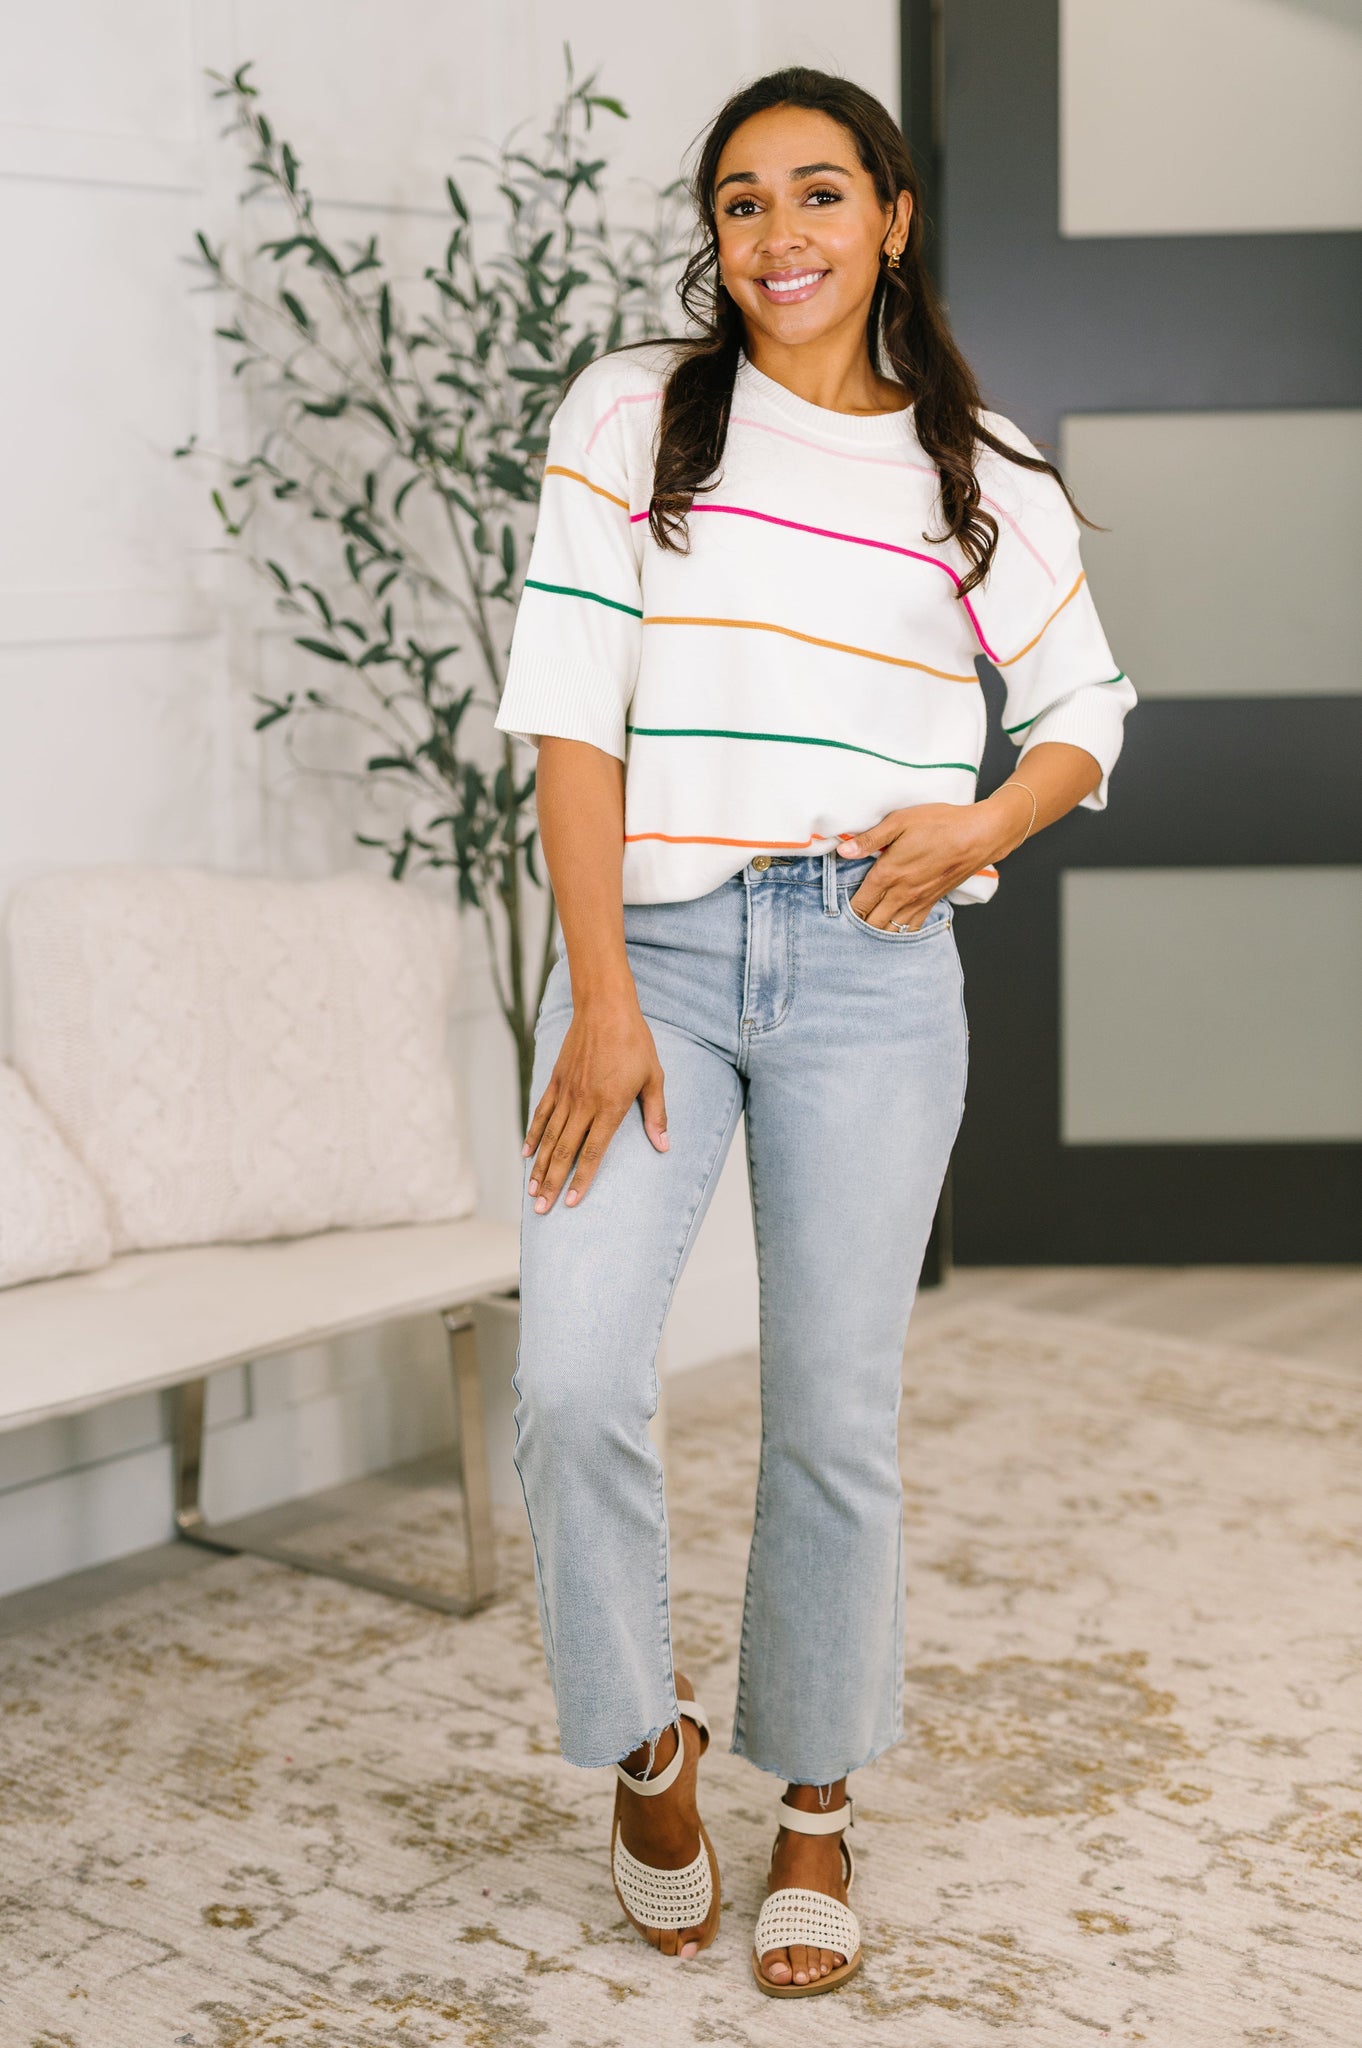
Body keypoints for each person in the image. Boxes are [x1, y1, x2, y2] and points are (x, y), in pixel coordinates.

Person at [493, 65, 1137, 2000]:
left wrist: (980, 826)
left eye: (819, 193)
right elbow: (568, 713)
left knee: (833, 1414)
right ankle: (647, 1752)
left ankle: (818, 1807)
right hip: (654, 957)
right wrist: (603, 997)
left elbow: (1089, 708)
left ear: (892, 217)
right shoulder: (631, 412)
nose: (779, 235)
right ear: (715, 233)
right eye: (743, 201)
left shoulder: (979, 470)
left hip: (870, 967)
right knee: (572, 1382)